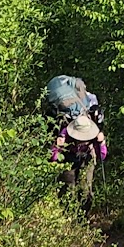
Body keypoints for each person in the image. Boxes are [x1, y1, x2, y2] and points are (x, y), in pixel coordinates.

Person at [42, 75, 109, 210]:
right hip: (69, 158)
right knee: (67, 189)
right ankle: (68, 218)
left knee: (85, 191)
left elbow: (102, 156)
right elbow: (53, 159)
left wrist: (101, 144)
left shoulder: (94, 133)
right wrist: (57, 146)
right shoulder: (66, 132)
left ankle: (83, 218)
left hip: (87, 158)